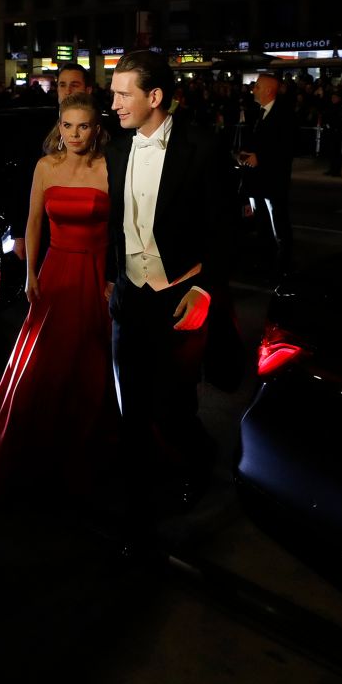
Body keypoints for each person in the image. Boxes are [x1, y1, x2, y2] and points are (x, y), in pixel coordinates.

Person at [105, 50, 237, 554]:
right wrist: (110, 278)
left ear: (153, 96)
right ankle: (137, 518)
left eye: (122, 93)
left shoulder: (202, 146)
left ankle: (199, 456)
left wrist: (204, 289)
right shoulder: (118, 150)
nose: (113, 103)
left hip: (178, 299)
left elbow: (224, 231)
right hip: (129, 300)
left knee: (171, 407)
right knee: (131, 413)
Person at [0, 93, 114, 503]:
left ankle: (90, 451)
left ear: (96, 129)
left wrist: (114, 276)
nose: (75, 133)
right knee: (47, 359)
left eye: (83, 126)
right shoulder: (45, 167)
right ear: (58, 127)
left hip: (97, 274)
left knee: (91, 361)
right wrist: (31, 272)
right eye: (68, 125)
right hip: (55, 271)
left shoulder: (108, 169)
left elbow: (122, 230)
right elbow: (32, 223)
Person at [238, 72, 296, 276]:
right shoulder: (259, 112)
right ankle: (265, 262)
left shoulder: (284, 115)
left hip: (273, 182)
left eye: (258, 86)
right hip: (256, 181)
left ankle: (282, 267)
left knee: (278, 225)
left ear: (270, 90)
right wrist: (244, 155)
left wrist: (259, 157)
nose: (254, 89)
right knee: (262, 224)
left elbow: (285, 149)